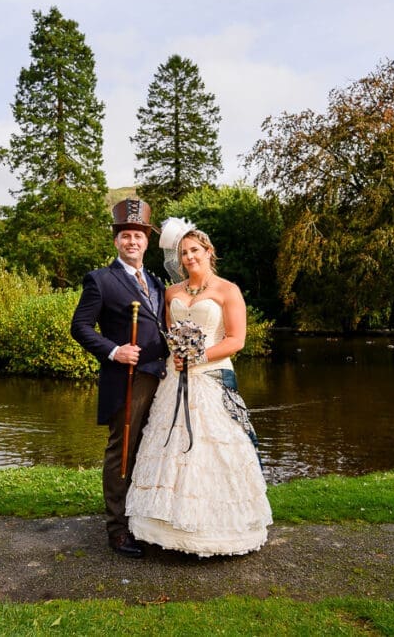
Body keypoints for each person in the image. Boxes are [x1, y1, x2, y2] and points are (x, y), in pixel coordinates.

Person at [125, 218, 272, 557]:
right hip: (176, 378)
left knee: (213, 449)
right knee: (169, 447)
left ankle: (213, 529)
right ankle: (163, 525)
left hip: (211, 377)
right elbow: (167, 334)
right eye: (184, 252)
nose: (189, 257)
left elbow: (236, 340)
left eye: (195, 251)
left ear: (208, 252)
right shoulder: (173, 293)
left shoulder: (227, 291)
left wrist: (198, 356)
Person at [71, 199, 169, 559]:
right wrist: (114, 351)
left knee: (153, 451)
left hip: (162, 377)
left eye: (139, 236)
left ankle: (144, 518)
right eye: (126, 235)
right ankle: (117, 529)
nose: (133, 242)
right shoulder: (100, 280)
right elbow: (79, 327)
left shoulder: (157, 282)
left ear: (146, 241)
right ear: (116, 241)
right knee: (121, 453)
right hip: (127, 379)